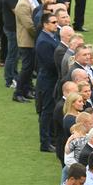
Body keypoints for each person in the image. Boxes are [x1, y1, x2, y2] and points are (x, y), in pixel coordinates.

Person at [13, 0, 40, 103]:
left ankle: (26, 90)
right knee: (26, 68)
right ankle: (17, 93)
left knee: (29, 68)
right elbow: (29, 25)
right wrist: (39, 35)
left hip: (30, 40)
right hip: (26, 41)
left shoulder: (30, 0)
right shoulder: (23, 4)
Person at [36, 13, 59, 152]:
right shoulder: (44, 41)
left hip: (50, 79)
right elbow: (50, 64)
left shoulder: (51, 36)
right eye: (53, 22)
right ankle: (44, 143)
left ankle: (50, 139)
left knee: (50, 111)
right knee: (47, 112)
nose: (56, 24)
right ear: (45, 24)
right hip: (48, 81)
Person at [2, 0, 23, 87]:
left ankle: (14, 76)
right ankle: (9, 79)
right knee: (12, 55)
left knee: (16, 55)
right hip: (12, 29)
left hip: (15, 28)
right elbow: (18, 12)